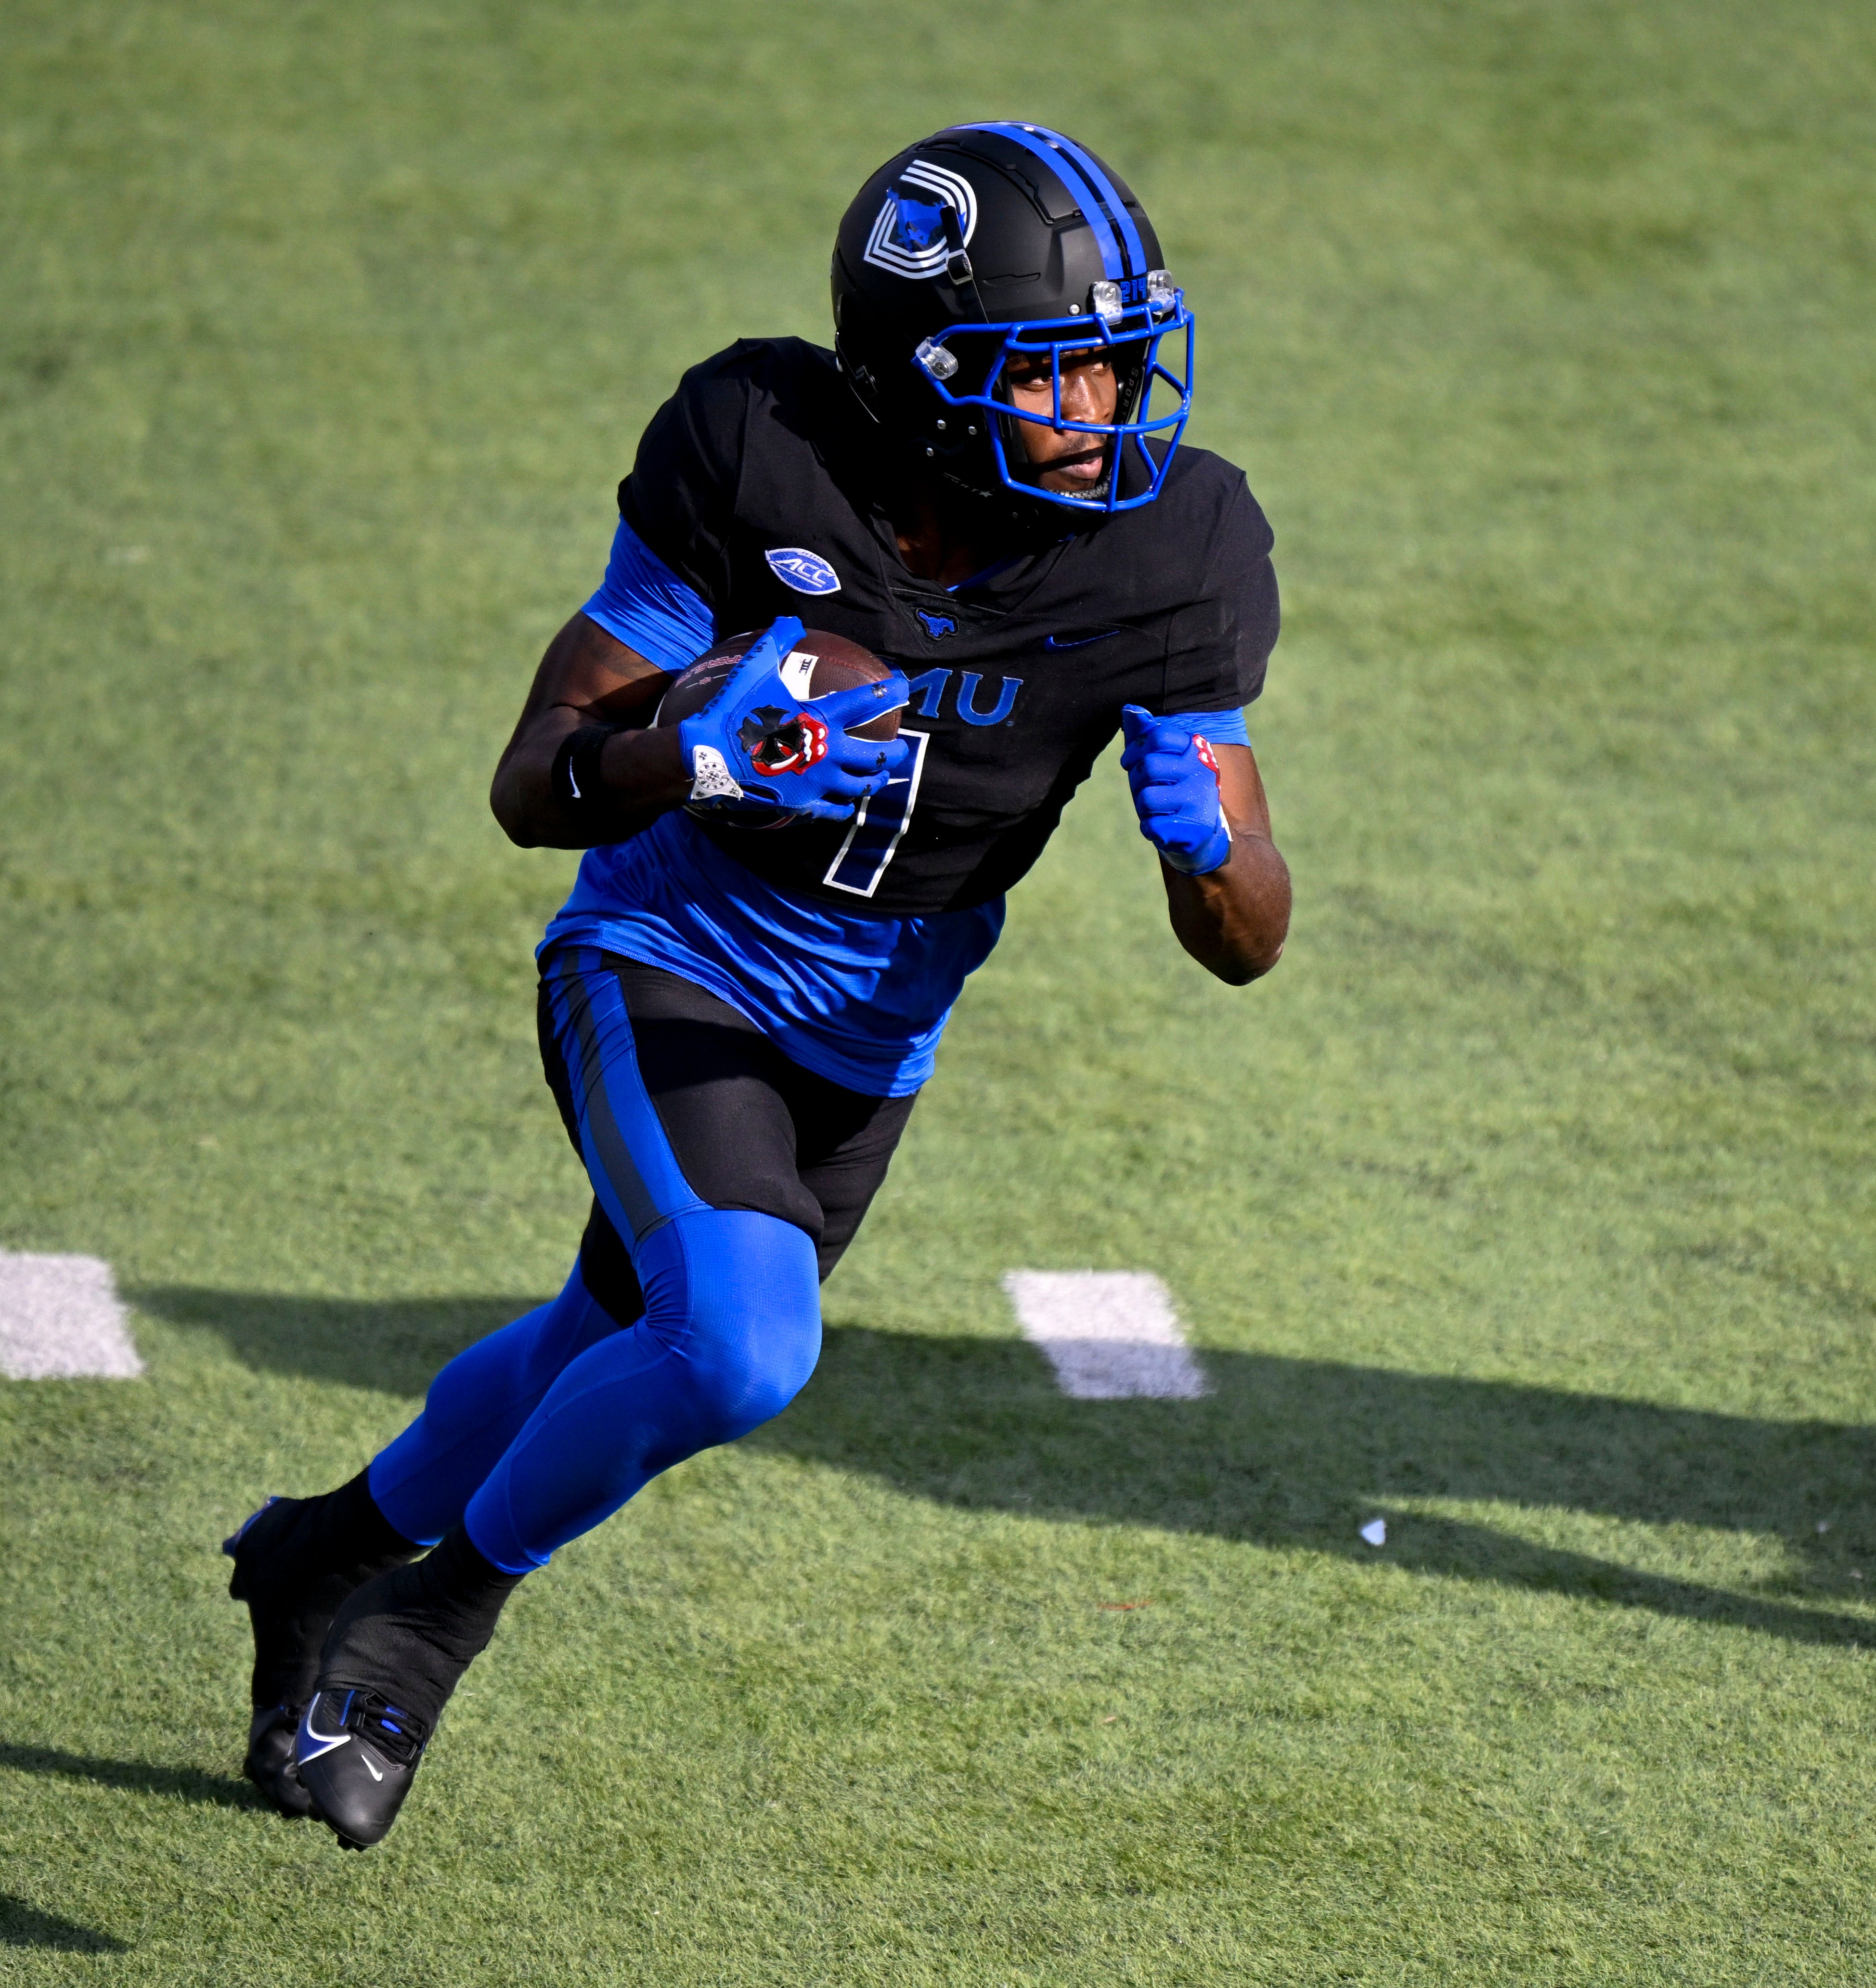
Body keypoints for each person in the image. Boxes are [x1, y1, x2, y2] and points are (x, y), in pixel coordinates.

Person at [224, 122, 1292, 1850]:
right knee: (734, 1346)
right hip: (668, 957)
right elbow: (532, 782)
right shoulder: (755, 442)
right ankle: (419, 1630)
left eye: (1118, 365)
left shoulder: (1179, 547)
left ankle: (320, 1553)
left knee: (600, 1338)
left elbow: (1246, 935)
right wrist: (691, 755)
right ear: (923, 378)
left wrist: (1211, 846)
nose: (1105, 408)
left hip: (875, 1037)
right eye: (1056, 371)